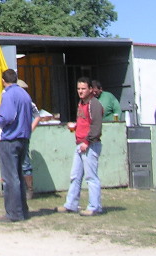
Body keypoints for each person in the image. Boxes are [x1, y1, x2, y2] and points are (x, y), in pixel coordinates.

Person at [57, 76, 104, 216]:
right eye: (78, 89)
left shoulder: (94, 104)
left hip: (90, 145)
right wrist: (75, 127)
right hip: (80, 144)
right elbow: (85, 123)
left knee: (91, 177)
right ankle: (71, 204)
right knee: (75, 176)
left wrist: (87, 142)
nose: (80, 91)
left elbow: (96, 126)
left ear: (91, 89)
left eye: (83, 89)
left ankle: (95, 207)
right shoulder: (81, 103)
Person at [0, 69, 34, 222]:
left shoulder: (8, 94)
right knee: (18, 176)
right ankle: (22, 210)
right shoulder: (25, 94)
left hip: (10, 139)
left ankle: (13, 214)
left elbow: (7, 117)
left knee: (10, 178)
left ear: (3, 80)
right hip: (23, 138)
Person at [17, 79, 41, 199]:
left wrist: (30, 129)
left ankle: (29, 189)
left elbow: (37, 116)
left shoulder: (29, 103)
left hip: (23, 136)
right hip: (15, 135)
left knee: (25, 163)